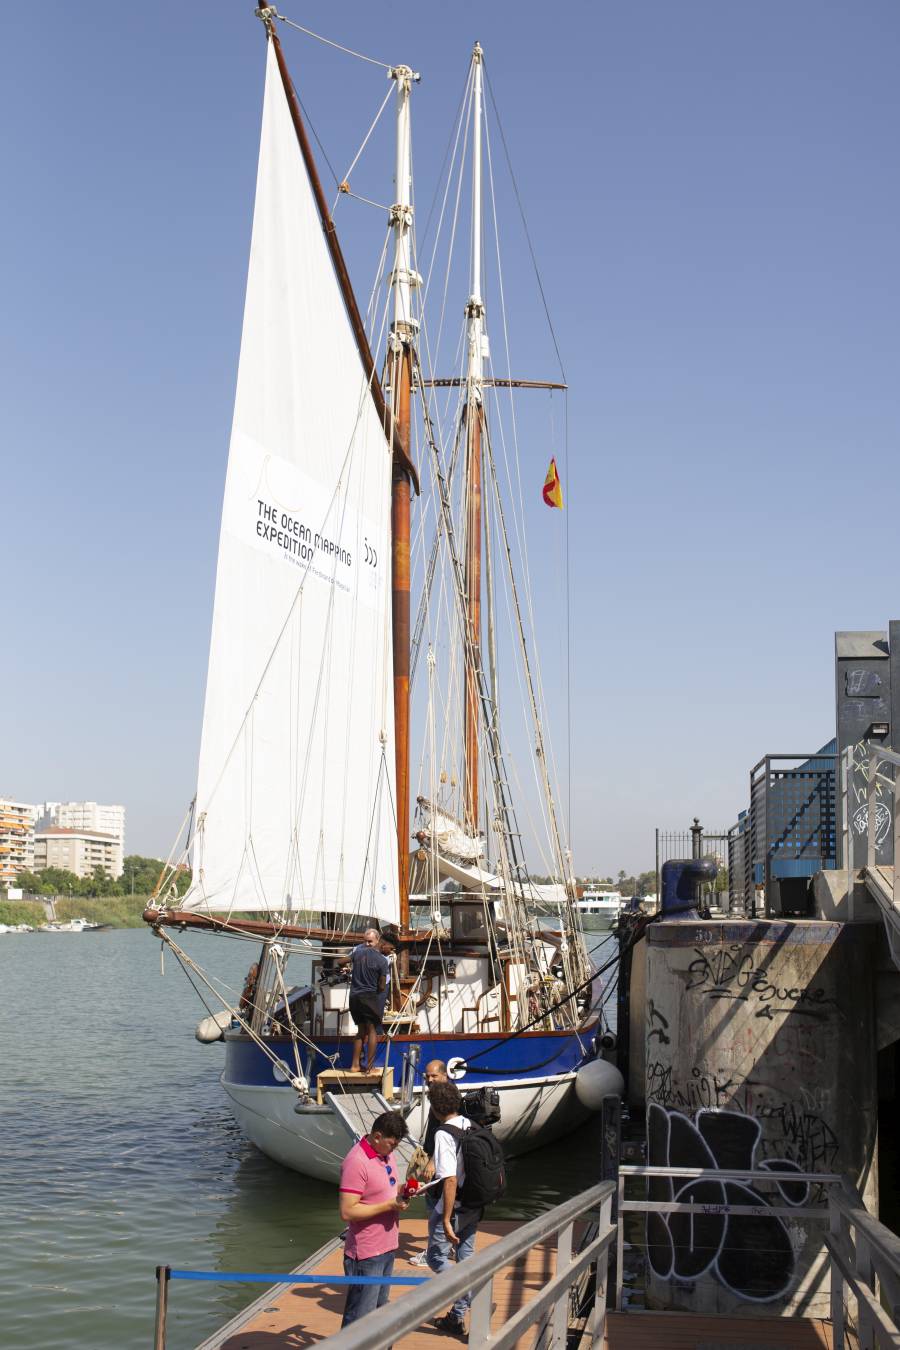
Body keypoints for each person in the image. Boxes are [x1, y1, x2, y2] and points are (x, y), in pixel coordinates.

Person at [338, 1110, 411, 1327]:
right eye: (392, 1144)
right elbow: (347, 1211)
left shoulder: (385, 1154)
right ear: (377, 1136)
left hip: (387, 1247)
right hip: (366, 1254)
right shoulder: (356, 1162)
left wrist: (404, 1190)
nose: (393, 1149)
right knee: (360, 1320)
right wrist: (390, 1205)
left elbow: (385, 1190)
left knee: (380, 1316)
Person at [426, 1081, 481, 1337]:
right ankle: (456, 1318)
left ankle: (473, 1291)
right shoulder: (470, 1124)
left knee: (436, 1258)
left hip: (454, 1207)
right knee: (465, 1261)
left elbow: (449, 1179)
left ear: (435, 1109)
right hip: (473, 1205)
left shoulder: (443, 1133)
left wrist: (446, 1219)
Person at [408, 1060, 450, 1267]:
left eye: (434, 1076)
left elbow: (445, 1131)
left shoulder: (444, 1100)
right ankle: (446, 1247)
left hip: (440, 1164)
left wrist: (432, 1161)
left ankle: (435, 1253)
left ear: (445, 1075)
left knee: (435, 1210)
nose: (430, 1080)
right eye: (427, 1076)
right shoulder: (441, 1097)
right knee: (443, 1209)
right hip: (443, 1162)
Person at [348, 931, 391, 1073]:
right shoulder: (382, 960)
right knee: (372, 1031)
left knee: (361, 1031)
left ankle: (355, 1065)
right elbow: (382, 986)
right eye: (365, 941)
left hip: (354, 998)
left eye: (369, 941)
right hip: (368, 998)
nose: (367, 944)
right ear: (382, 943)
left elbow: (340, 961)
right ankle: (370, 1067)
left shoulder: (358, 953)